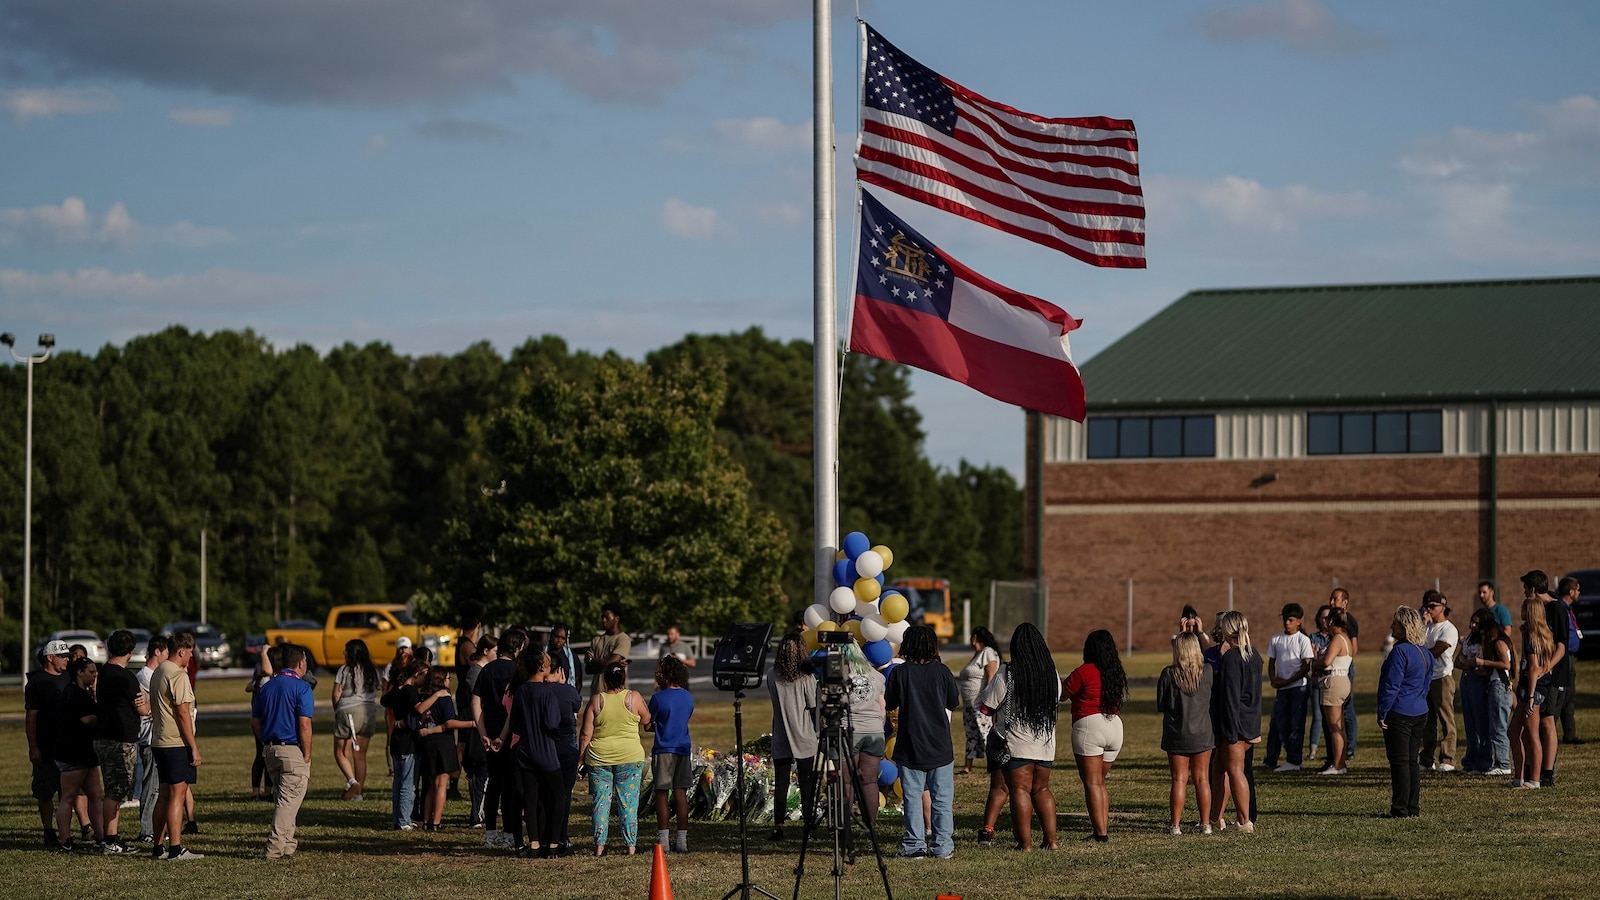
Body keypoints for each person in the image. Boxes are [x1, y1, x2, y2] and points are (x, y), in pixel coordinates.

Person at [978, 622, 1061, 850]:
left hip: (1017, 742)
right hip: (1045, 742)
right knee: (1042, 789)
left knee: (1020, 790)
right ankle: (1051, 841)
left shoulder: (1009, 672)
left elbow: (987, 705)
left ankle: (1025, 844)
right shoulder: (1052, 674)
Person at [884, 625, 960, 859]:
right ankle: (942, 846)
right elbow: (953, 702)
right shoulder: (943, 671)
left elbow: (890, 702)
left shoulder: (900, 673)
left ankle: (914, 845)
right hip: (940, 745)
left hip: (910, 744)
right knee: (942, 800)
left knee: (912, 798)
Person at [579, 659, 651, 856]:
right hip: (629, 757)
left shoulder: (596, 700)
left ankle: (600, 845)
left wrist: (580, 759)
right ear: (624, 678)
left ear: (605, 679)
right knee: (628, 802)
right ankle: (630, 846)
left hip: (599, 758)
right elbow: (647, 719)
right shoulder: (633, 698)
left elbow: (586, 734)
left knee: (600, 802)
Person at [497, 649, 564, 857]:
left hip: (525, 751)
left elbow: (515, 724)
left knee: (530, 798)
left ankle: (533, 843)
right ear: (542, 667)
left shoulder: (522, 691)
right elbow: (553, 723)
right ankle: (553, 843)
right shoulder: (547, 692)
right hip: (546, 751)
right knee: (558, 795)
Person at [251, 643, 313, 859]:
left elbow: (255, 721)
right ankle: (275, 847)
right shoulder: (301, 688)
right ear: (300, 663)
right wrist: (306, 753)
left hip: (270, 750)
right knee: (288, 801)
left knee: (285, 798)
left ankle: (288, 844)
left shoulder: (266, 687)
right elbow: (304, 724)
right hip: (292, 749)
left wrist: (265, 741)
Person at [1063, 628, 1124, 844]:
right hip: (1115, 726)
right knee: (1099, 782)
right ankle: (1102, 829)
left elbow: (1062, 694)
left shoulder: (1083, 671)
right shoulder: (1115, 670)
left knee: (1092, 784)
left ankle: (1100, 834)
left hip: (1090, 726)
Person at [150, 631, 203, 860]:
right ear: (181, 651)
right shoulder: (178, 675)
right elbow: (183, 713)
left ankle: (158, 846)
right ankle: (175, 848)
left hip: (159, 741)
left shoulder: (159, 671)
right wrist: (193, 746)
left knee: (163, 793)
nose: (190, 658)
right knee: (177, 795)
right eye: (190, 653)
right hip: (175, 742)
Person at [94, 629, 148, 853]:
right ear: (131, 651)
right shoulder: (126, 677)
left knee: (112, 788)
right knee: (116, 791)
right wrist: (151, 701)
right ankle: (111, 838)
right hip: (120, 740)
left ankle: (108, 836)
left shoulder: (105, 672)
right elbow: (143, 709)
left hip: (104, 737)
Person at [1207, 611, 1261, 833]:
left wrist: (1229, 731)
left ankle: (1244, 820)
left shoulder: (1232, 657)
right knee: (1218, 769)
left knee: (1236, 771)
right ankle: (1214, 819)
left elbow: (1230, 697)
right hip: (1249, 721)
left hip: (1234, 725)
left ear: (1227, 630)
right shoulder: (1254, 654)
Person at [1376, 606, 1431, 818]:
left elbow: (1391, 685)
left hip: (1399, 712)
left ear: (1405, 626)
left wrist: (1383, 711)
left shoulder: (1399, 651)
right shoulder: (1424, 652)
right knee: (1411, 761)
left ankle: (1399, 809)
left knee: (1399, 762)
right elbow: (1426, 683)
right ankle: (1412, 808)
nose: (1391, 626)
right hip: (1419, 710)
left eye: (1395, 623)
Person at [1158, 632, 1214, 834]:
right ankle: (1206, 824)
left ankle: (1175, 825)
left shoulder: (1168, 673)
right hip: (1203, 732)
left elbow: (1161, 704)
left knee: (1179, 779)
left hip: (1177, 733)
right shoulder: (1208, 671)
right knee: (1202, 779)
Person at [475, 628, 526, 847]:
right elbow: (513, 707)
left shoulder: (486, 670)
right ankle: (509, 833)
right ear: (517, 648)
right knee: (510, 785)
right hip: (509, 733)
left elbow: (475, 702)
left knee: (494, 782)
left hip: (490, 728)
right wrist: (503, 737)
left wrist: (482, 733)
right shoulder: (516, 671)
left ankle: (490, 833)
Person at [767, 632, 818, 842]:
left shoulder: (772, 674)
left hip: (780, 733)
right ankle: (808, 827)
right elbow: (813, 705)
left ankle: (778, 827)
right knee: (807, 784)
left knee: (781, 783)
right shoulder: (807, 677)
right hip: (804, 734)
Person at [55, 656, 106, 852]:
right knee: (68, 797)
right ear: (79, 672)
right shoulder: (74, 694)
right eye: (91, 672)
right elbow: (87, 720)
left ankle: (101, 838)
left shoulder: (82, 693)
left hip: (86, 753)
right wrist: (103, 717)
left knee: (95, 796)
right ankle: (66, 841)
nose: (95, 675)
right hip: (73, 754)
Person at [26, 639, 72, 850]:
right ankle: (48, 831)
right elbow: (31, 717)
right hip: (46, 746)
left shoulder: (69, 678)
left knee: (67, 792)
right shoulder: (37, 683)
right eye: (62, 656)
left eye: (67, 656)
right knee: (45, 792)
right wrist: (33, 746)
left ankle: (65, 834)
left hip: (67, 746)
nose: (67, 659)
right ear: (49, 657)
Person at [414, 666, 473, 831]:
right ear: (441, 680)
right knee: (441, 784)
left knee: (431, 784)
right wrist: (472, 724)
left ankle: (426, 820)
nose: (449, 680)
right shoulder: (444, 697)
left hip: (427, 743)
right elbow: (449, 723)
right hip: (443, 743)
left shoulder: (424, 697)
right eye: (448, 678)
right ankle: (436, 822)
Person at [1524, 570, 1568, 786]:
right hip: (1541, 676)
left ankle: (1548, 773)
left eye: (1525, 589)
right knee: (1537, 723)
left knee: (1547, 721)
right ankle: (1536, 769)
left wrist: (1545, 668)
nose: (1524, 593)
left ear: (1533, 590)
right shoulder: (1538, 609)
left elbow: (1562, 645)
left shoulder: (1556, 609)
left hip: (1555, 675)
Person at [648, 655, 695, 854]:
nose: (656, 675)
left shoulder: (658, 698)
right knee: (680, 793)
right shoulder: (687, 696)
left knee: (661, 794)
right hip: (683, 748)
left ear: (666, 676)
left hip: (664, 749)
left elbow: (648, 724)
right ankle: (682, 841)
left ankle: (664, 841)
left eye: (658, 672)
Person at [1510, 595, 1555, 789]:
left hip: (1533, 690)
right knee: (1514, 732)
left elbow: (1535, 668)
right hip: (1528, 688)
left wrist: (1529, 696)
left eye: (1523, 607)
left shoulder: (1532, 635)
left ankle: (1534, 780)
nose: (1520, 609)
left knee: (1531, 734)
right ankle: (1519, 777)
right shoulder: (1537, 633)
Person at [1264, 603, 1315, 772]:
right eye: (1285, 619)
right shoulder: (1276, 639)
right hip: (1282, 688)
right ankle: (1275, 757)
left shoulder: (1303, 640)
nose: (1287, 623)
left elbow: (1306, 666)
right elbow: (1271, 662)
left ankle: (1294, 760)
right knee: (1279, 722)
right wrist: (1273, 679)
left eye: (1291, 620)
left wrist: (1288, 681)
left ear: (1299, 621)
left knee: (1296, 724)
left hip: (1298, 688)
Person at [333, 639, 382, 802]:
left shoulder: (345, 670)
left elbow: (336, 694)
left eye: (346, 650)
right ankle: (358, 793)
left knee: (340, 753)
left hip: (348, 711)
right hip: (368, 713)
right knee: (360, 755)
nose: (343, 653)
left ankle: (352, 782)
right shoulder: (373, 671)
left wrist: (337, 710)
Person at [381, 660, 427, 830]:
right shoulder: (411, 691)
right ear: (416, 674)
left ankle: (397, 819)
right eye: (424, 675)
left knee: (398, 783)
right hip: (409, 743)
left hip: (396, 741)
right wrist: (438, 696)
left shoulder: (398, 690)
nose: (426, 679)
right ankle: (404, 821)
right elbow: (420, 710)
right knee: (409, 784)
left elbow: (384, 700)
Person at [1418, 591, 1459, 772]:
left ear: (1443, 607)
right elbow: (1414, 643)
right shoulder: (1426, 627)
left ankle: (1448, 758)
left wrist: (1419, 655)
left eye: (1432, 606)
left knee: (1446, 720)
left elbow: (1436, 651)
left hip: (1442, 678)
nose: (1429, 610)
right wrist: (1422, 623)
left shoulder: (1448, 629)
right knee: (1427, 722)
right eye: (1427, 606)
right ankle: (1427, 759)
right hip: (1426, 678)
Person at [136, 634, 170, 843]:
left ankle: (154, 828)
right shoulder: (146, 677)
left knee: (158, 786)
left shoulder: (155, 675)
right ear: (157, 652)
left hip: (158, 736)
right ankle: (147, 830)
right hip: (149, 738)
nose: (168, 656)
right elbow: (155, 708)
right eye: (166, 652)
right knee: (151, 786)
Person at [459, 635, 496, 828]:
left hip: (479, 725)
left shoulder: (482, 671)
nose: (497, 655)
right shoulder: (476, 673)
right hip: (475, 727)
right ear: (486, 651)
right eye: (495, 651)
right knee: (480, 772)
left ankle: (479, 811)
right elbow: (477, 702)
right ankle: (477, 814)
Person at [1314, 609, 1354, 775]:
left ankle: (1337, 765)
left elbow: (1326, 662)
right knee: (1340, 726)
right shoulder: (1346, 638)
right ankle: (1341, 763)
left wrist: (1315, 660)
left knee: (1334, 727)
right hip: (1343, 680)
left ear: (1331, 622)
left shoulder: (1337, 638)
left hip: (1334, 682)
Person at [1454, 609, 1494, 773]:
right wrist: (1469, 663)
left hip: (1480, 682)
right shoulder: (1469, 638)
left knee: (1481, 722)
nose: (1472, 625)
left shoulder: (1487, 639)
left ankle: (1483, 761)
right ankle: (1470, 760)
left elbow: (1482, 664)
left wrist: (1468, 661)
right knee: (1469, 722)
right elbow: (1458, 660)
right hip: (1467, 679)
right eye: (1472, 621)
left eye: (1476, 622)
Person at [958, 627, 1000, 776]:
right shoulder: (976, 655)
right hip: (969, 704)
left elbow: (991, 675)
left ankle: (994, 765)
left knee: (985, 734)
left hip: (980, 704)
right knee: (971, 735)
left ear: (975, 638)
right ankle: (967, 766)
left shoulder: (988, 653)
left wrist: (987, 699)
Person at [1329, 588, 1360, 759]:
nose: (1332, 602)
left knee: (1346, 710)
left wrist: (1343, 662)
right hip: (1335, 668)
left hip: (1342, 669)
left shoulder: (1349, 621)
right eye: (1331, 599)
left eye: (1335, 599)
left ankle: (1349, 748)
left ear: (1345, 602)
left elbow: (1354, 647)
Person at [1555, 576, 1584, 745]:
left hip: (1571, 657)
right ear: (1571, 591)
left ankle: (1570, 734)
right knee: (1561, 696)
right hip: (1563, 658)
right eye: (1577, 589)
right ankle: (1549, 730)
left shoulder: (1569, 609)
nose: (1579, 593)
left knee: (1569, 696)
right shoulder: (1561, 609)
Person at [585, 605, 633, 696]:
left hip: (617, 694)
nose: (604, 620)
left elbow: (609, 664)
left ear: (616, 618)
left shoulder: (623, 639)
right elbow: (588, 669)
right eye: (602, 617)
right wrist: (602, 663)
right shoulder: (596, 640)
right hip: (597, 692)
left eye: (607, 617)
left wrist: (593, 661)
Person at [1305, 606, 1332, 762]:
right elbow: (1311, 661)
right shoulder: (1313, 637)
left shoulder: (1335, 638)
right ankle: (1313, 750)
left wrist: (1318, 659)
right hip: (1316, 681)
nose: (1325, 621)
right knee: (1317, 716)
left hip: (1330, 681)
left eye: (1328, 618)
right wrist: (1315, 658)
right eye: (1323, 617)